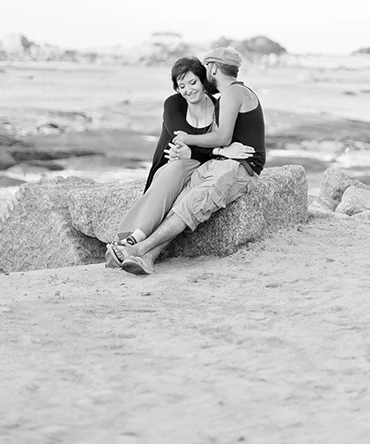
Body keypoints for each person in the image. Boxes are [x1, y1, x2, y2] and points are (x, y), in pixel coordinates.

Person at [107, 47, 267, 275]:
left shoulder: (232, 93)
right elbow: (220, 142)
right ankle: (148, 259)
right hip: (219, 163)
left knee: (190, 206)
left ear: (212, 68)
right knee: (180, 206)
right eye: (182, 85)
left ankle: (137, 249)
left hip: (240, 168)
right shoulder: (226, 95)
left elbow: (223, 137)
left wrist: (188, 138)